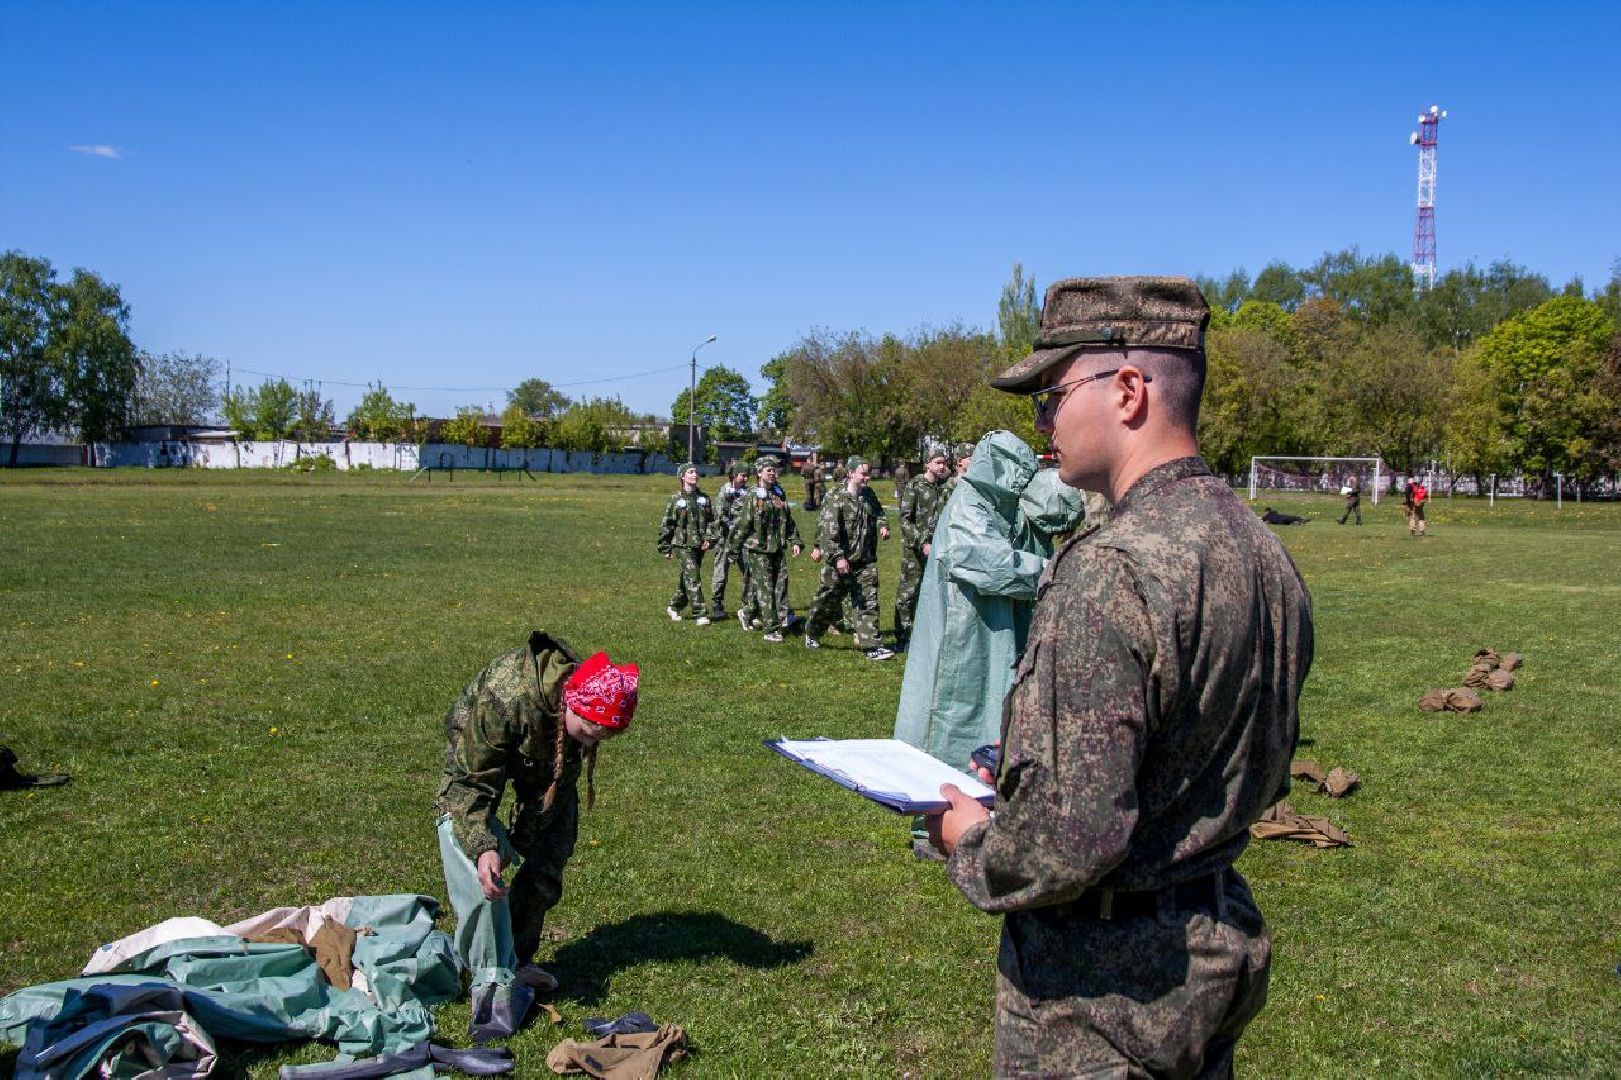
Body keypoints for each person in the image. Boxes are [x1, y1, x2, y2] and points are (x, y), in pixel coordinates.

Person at [926, 276, 1314, 1076]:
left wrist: (968, 840)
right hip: (1210, 943)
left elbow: (1062, 850)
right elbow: (1242, 760)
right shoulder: (1255, 547)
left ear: (1128, 390)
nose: (1041, 424)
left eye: (1051, 395)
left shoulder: (1112, 567)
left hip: (1103, 991)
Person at [435, 633, 639, 1040]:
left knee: (550, 856)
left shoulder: (577, 721)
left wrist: (522, 843)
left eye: (604, 737)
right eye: (591, 731)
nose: (596, 741)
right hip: (477, 757)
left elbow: (554, 790)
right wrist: (485, 847)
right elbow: (469, 784)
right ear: (573, 706)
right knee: (478, 867)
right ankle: (486, 972)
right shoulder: (505, 696)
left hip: (546, 749)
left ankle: (516, 957)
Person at [894, 434, 1082, 855]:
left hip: (991, 627)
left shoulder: (998, 506)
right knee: (952, 718)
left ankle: (984, 808)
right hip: (962, 635)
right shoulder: (969, 503)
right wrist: (1055, 570)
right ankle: (935, 824)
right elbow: (987, 563)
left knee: (992, 713)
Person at [804, 456, 893, 660]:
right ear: (851, 473)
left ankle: (872, 646)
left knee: (868, 601)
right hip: (840, 560)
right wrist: (837, 557)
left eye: (868, 473)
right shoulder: (836, 496)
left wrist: (883, 526)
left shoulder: (869, 494)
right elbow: (828, 530)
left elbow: (879, 513)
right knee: (827, 600)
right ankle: (812, 633)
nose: (867, 478)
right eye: (863, 474)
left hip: (865, 560)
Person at [728, 455, 803, 641]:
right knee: (766, 588)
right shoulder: (753, 495)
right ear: (759, 473)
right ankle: (771, 629)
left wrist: (795, 540)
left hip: (777, 548)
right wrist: (733, 549)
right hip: (758, 549)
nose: (772, 473)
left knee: (780, 584)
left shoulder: (779, 493)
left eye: (774, 470)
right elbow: (743, 524)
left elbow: (788, 520)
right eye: (768, 470)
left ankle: (747, 613)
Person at [893, 444, 952, 651]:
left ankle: (927, 635)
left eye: (943, 462)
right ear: (927, 464)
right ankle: (903, 637)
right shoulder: (915, 486)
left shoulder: (943, 486)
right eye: (937, 462)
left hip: (938, 547)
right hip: (915, 549)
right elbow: (904, 519)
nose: (941, 466)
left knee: (934, 593)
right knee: (909, 593)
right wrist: (922, 542)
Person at [657, 463, 715, 624]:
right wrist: (665, 547)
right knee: (693, 578)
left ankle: (674, 606)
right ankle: (700, 613)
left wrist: (709, 539)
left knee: (687, 579)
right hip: (681, 545)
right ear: (682, 477)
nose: (695, 474)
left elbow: (712, 522)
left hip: (699, 545)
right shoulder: (676, 499)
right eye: (691, 472)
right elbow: (668, 523)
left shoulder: (704, 498)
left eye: (696, 472)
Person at [709, 464, 752, 618]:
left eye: (747, 475)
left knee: (749, 571)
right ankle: (717, 603)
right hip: (725, 540)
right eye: (742, 475)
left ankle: (749, 604)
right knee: (720, 573)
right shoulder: (724, 492)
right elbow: (720, 515)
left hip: (743, 541)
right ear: (734, 475)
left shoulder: (749, 492)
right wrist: (732, 526)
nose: (746, 478)